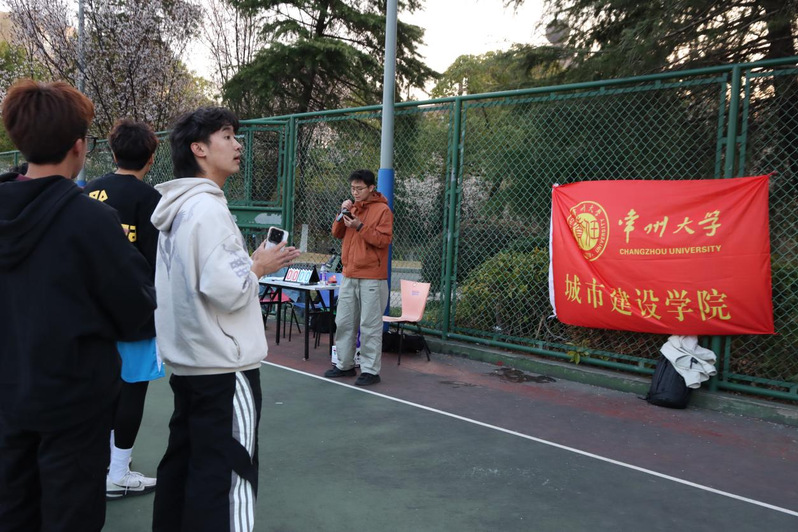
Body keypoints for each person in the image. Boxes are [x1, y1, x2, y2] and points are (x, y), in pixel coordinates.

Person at [0, 80, 156, 531]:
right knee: (71, 517)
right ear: (78, 146)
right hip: (74, 405)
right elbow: (136, 313)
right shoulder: (90, 219)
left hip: (8, 398)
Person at [150, 106, 300, 532]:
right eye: (228, 136)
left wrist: (249, 264)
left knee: (184, 468)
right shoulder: (210, 211)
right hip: (224, 370)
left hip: (190, 365)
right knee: (231, 478)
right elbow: (229, 291)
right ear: (199, 148)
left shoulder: (178, 210)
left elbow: (205, 281)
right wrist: (259, 267)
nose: (238, 145)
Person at [83, 119, 163, 499]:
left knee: (99, 388)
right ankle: (117, 472)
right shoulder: (152, 200)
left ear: (113, 153)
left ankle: (99, 464)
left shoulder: (88, 191)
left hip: (90, 312)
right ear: (151, 158)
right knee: (132, 390)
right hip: (134, 312)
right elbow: (157, 262)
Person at [324, 169, 393, 386]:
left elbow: (383, 240)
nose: (355, 192)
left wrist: (360, 226)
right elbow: (337, 233)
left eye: (359, 188)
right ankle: (344, 365)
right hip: (349, 274)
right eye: (353, 188)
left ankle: (370, 370)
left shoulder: (383, 210)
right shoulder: (351, 207)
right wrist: (342, 212)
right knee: (344, 322)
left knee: (369, 325)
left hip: (372, 277)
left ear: (371, 188)